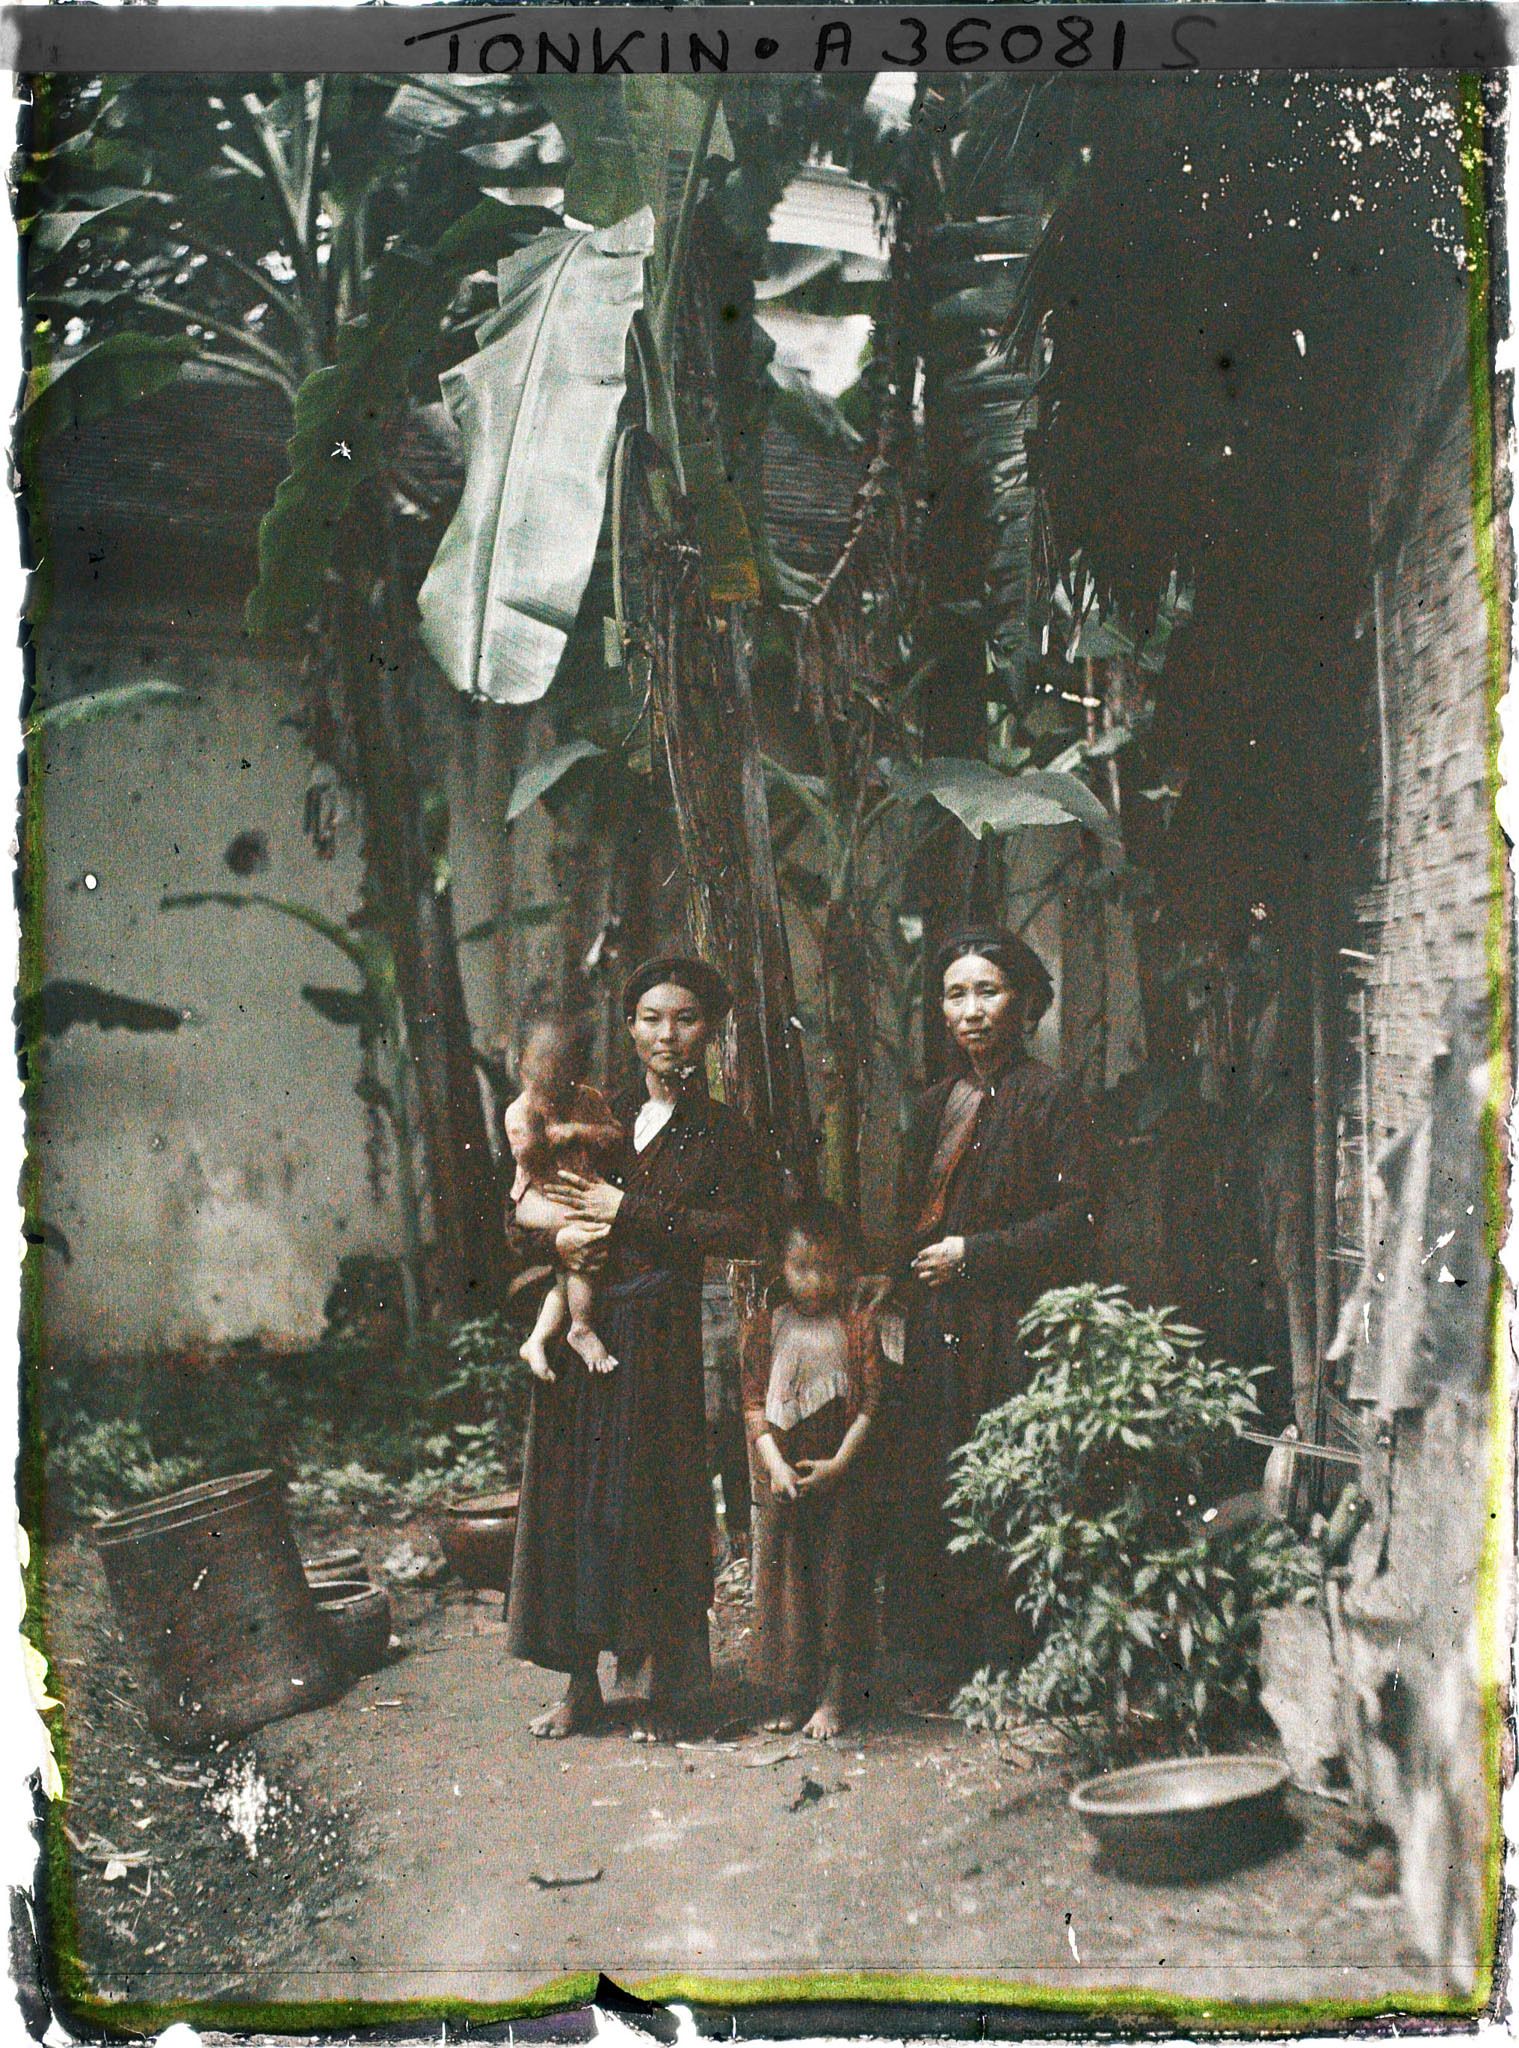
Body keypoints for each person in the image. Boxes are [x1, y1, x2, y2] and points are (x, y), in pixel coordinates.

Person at [505, 955, 769, 1742]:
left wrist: (630, 1209)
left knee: (654, 1503)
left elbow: (742, 1230)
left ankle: (666, 1693)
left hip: (660, 1335)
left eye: (684, 1018)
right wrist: (556, 1226)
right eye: (650, 1018)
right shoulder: (596, 1110)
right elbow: (524, 1201)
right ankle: (580, 1683)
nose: (667, 1034)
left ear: (710, 1030)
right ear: (628, 1028)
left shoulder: (722, 1134)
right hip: (589, 1323)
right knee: (573, 1502)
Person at [887, 926, 1097, 1690]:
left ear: (1026, 1003)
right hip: (938, 1321)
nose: (971, 1010)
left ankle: (1016, 1661)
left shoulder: (1052, 1097)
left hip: (1011, 1321)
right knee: (938, 1474)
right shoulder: (936, 1102)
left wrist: (974, 1253)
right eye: (955, 994)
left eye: (988, 991)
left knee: (1008, 1478)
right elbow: (911, 1214)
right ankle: (946, 1665)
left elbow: (1075, 1216)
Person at [742, 1200, 884, 1741]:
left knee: (836, 1577)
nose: (814, 1281)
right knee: (789, 1581)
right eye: (802, 1268)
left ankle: (833, 1695)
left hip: (838, 1472)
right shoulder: (766, 1327)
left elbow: (871, 1402)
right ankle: (792, 1692)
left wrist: (840, 1463)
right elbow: (754, 1403)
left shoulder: (855, 1326)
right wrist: (775, 1465)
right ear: (782, 1267)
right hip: (786, 1476)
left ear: (843, 1265)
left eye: (826, 1267)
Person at [504, 1016, 626, 1381]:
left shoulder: (587, 1101)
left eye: (560, 1088)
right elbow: (528, 1159)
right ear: (524, 1074)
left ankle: (540, 1337)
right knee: (580, 1238)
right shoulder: (520, 1110)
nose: (550, 1099)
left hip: (574, 1192)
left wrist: (577, 1131)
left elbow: (614, 1136)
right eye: (540, 1086)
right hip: (538, 1196)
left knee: (572, 1265)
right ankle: (581, 1327)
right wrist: (542, 1131)